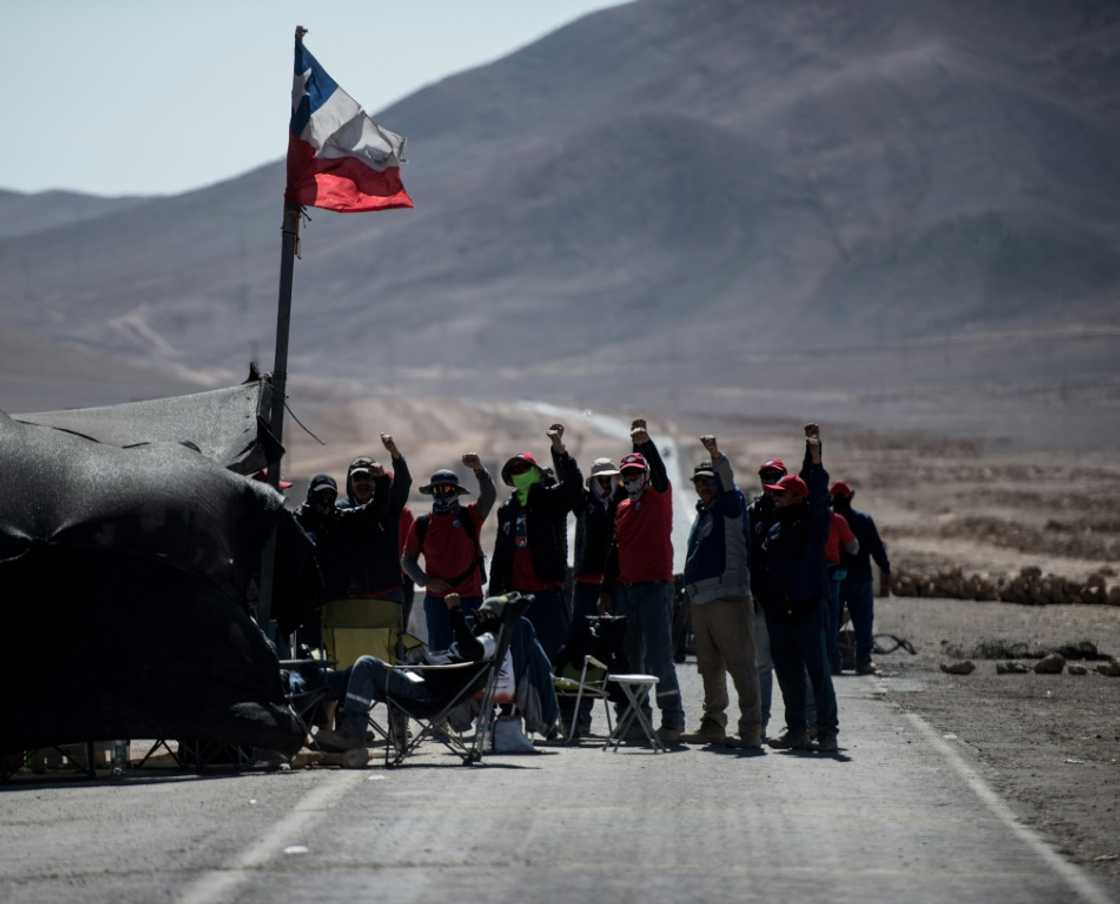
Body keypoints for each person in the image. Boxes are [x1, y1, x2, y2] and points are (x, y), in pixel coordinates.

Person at [314, 593, 517, 757]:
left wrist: (455, 612)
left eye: (480, 615)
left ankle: (353, 733)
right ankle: (301, 721)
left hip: (425, 694)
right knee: (339, 676)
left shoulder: (491, 639)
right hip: (421, 683)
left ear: (490, 617)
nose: (476, 619)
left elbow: (472, 650)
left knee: (366, 664)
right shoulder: (488, 638)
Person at [601, 419, 685, 744]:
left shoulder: (658, 499)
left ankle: (673, 720)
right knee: (632, 658)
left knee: (660, 657)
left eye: (637, 473)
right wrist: (607, 590)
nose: (632, 479)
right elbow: (615, 550)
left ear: (645, 476)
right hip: (627, 591)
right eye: (627, 475)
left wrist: (643, 445)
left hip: (655, 588)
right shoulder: (621, 507)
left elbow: (661, 474)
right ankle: (637, 721)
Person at [759, 424, 839, 753]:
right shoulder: (774, 525)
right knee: (788, 674)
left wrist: (814, 457)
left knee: (817, 672)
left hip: (807, 609)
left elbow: (816, 492)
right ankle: (797, 730)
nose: (774, 496)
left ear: (795, 496)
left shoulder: (813, 523)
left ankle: (827, 731)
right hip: (779, 613)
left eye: (780, 493)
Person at [681, 435, 762, 748]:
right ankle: (713, 724)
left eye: (709, 481)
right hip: (702, 600)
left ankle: (751, 728)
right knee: (709, 667)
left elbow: (727, 481)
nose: (704, 487)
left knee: (741, 664)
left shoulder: (731, 505)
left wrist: (715, 455)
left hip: (727, 599)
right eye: (699, 483)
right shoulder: (706, 512)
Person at [489, 424, 582, 662]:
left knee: (553, 656)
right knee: (517, 657)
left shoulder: (550, 500)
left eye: (524, 468)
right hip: (516, 599)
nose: (520, 472)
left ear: (536, 472)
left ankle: (555, 701)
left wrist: (559, 449)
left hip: (547, 594)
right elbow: (500, 556)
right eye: (515, 470)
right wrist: (493, 596)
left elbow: (573, 488)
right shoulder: (507, 510)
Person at [401, 455, 496, 649]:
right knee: (441, 654)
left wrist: (479, 469)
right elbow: (407, 560)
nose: (442, 493)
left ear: (457, 491)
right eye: (437, 489)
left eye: (447, 488)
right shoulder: (422, 524)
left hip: (470, 598)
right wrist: (426, 581)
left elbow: (489, 496)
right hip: (437, 603)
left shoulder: (470, 517)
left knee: (473, 652)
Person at [557, 457, 621, 737]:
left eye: (610, 479)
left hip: (615, 587)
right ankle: (577, 718)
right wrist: (560, 451)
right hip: (585, 587)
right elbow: (569, 482)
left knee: (615, 652)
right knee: (579, 651)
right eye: (601, 479)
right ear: (592, 482)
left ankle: (626, 717)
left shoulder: (624, 503)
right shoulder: (584, 503)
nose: (606, 484)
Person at [334, 434, 413, 605]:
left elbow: (404, 483)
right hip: (352, 594)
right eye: (357, 478)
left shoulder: (390, 506)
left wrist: (395, 453)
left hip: (389, 592)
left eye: (368, 477)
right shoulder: (341, 510)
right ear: (350, 482)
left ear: (376, 481)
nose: (363, 483)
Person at [831, 480, 892, 675]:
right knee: (863, 621)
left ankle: (833, 662)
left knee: (832, 621)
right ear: (851, 497)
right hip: (861, 579)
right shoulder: (864, 520)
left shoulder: (828, 521)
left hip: (835, 579)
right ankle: (863, 662)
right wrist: (886, 570)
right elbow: (876, 548)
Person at [745, 458, 787, 738]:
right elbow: (747, 553)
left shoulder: (793, 509)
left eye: (775, 476)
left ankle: (801, 722)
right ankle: (759, 723)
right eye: (765, 476)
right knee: (761, 663)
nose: (769, 481)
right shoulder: (755, 512)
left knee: (791, 662)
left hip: (787, 600)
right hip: (760, 599)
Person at [824, 501, 860, 675]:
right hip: (831, 574)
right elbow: (853, 548)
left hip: (808, 574)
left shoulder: (802, 517)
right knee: (832, 620)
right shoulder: (836, 520)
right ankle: (832, 663)